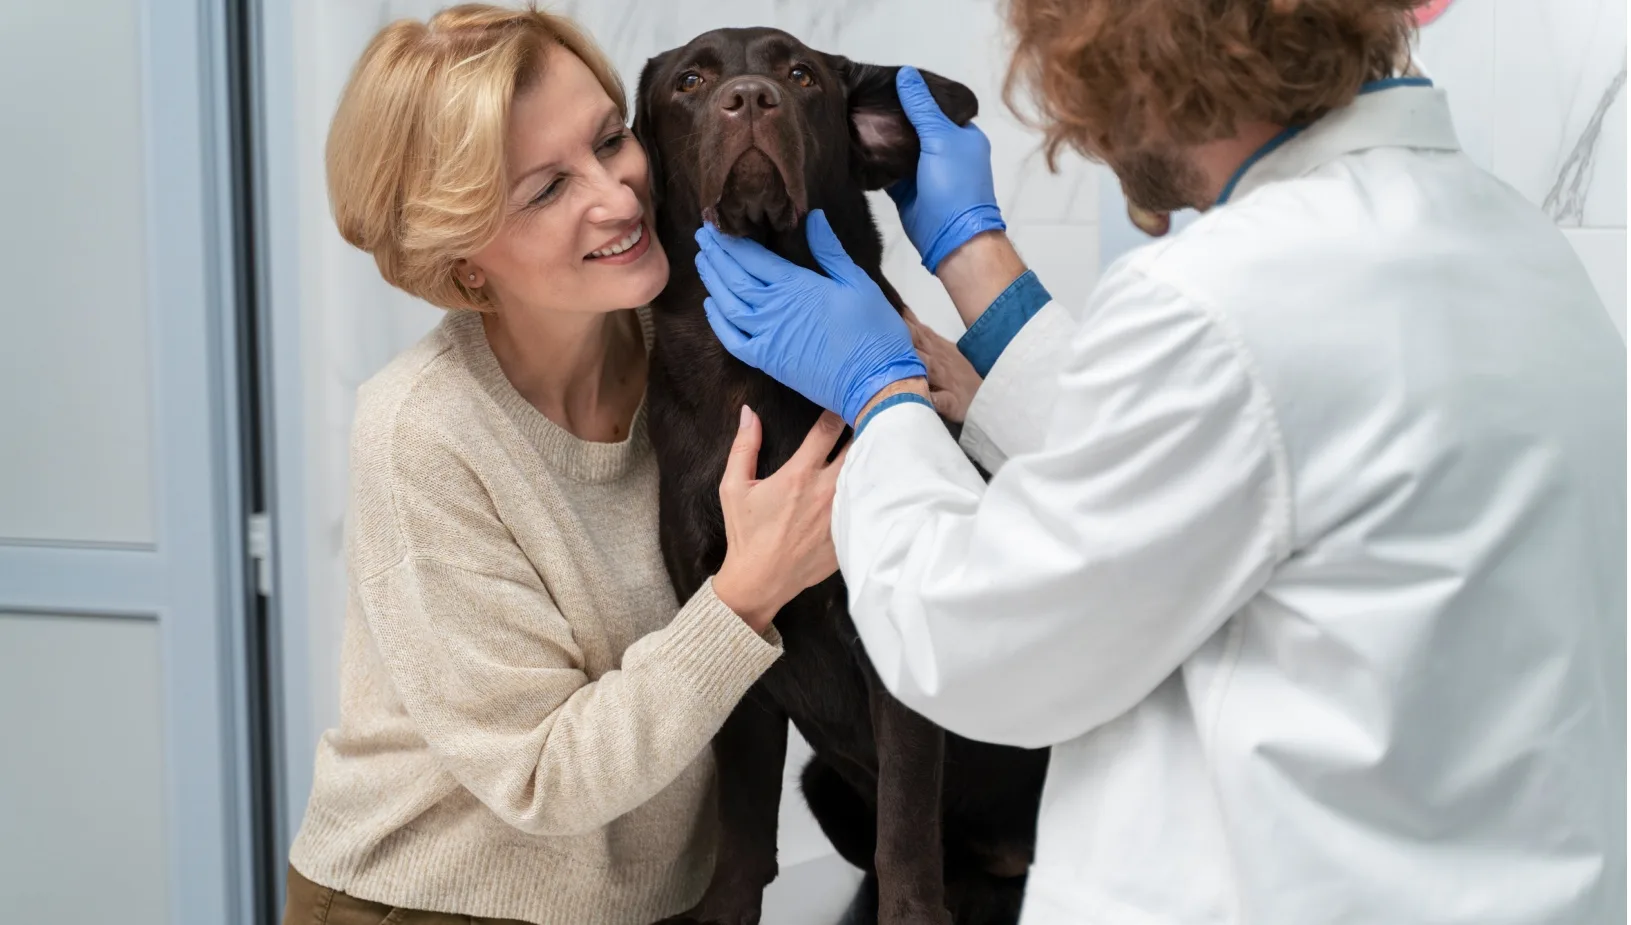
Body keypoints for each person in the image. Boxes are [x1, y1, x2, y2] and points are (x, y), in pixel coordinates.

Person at [694, 0, 1627, 922]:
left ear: (1141, 58)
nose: (1087, 132)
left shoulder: (1226, 299)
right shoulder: (1511, 242)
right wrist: (972, 253)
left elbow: (967, 642)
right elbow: (1193, 476)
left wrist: (879, 390)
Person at [281, 6, 846, 924]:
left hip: (655, 899)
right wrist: (746, 593)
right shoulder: (423, 431)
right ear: (462, 255)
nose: (619, 198)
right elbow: (541, 776)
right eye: (546, 189)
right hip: (433, 902)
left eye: (612, 140)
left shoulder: (691, 349)